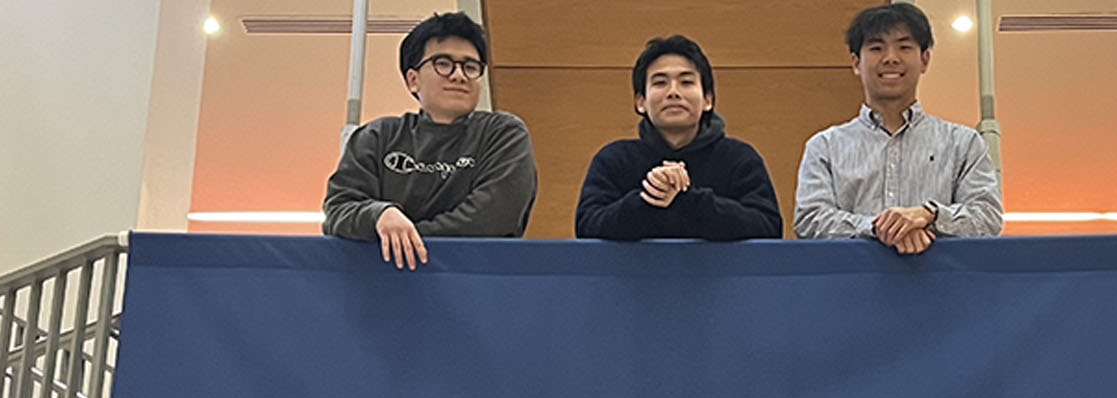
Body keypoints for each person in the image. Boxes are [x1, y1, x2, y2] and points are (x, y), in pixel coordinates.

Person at [323, 12, 538, 269]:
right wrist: (379, 214)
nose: (458, 75)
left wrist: (406, 236)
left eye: (470, 67)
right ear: (413, 79)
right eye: (443, 63)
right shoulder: (377, 138)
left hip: (478, 283)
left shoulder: (502, 134)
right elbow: (338, 211)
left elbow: (494, 217)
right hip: (386, 287)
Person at [793, 3, 1002, 254]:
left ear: (924, 59)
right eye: (876, 47)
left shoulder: (964, 143)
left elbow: (988, 217)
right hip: (852, 288)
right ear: (856, 62)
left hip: (942, 288)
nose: (891, 58)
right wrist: (882, 227)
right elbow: (809, 220)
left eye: (904, 47)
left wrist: (930, 214)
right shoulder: (825, 146)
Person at [575, 35, 781, 241]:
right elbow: (586, 226)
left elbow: (768, 227)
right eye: (660, 82)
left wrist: (690, 200)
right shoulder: (614, 159)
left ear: (708, 99)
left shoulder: (739, 158)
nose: (673, 92)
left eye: (686, 82)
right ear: (641, 102)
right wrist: (649, 195)